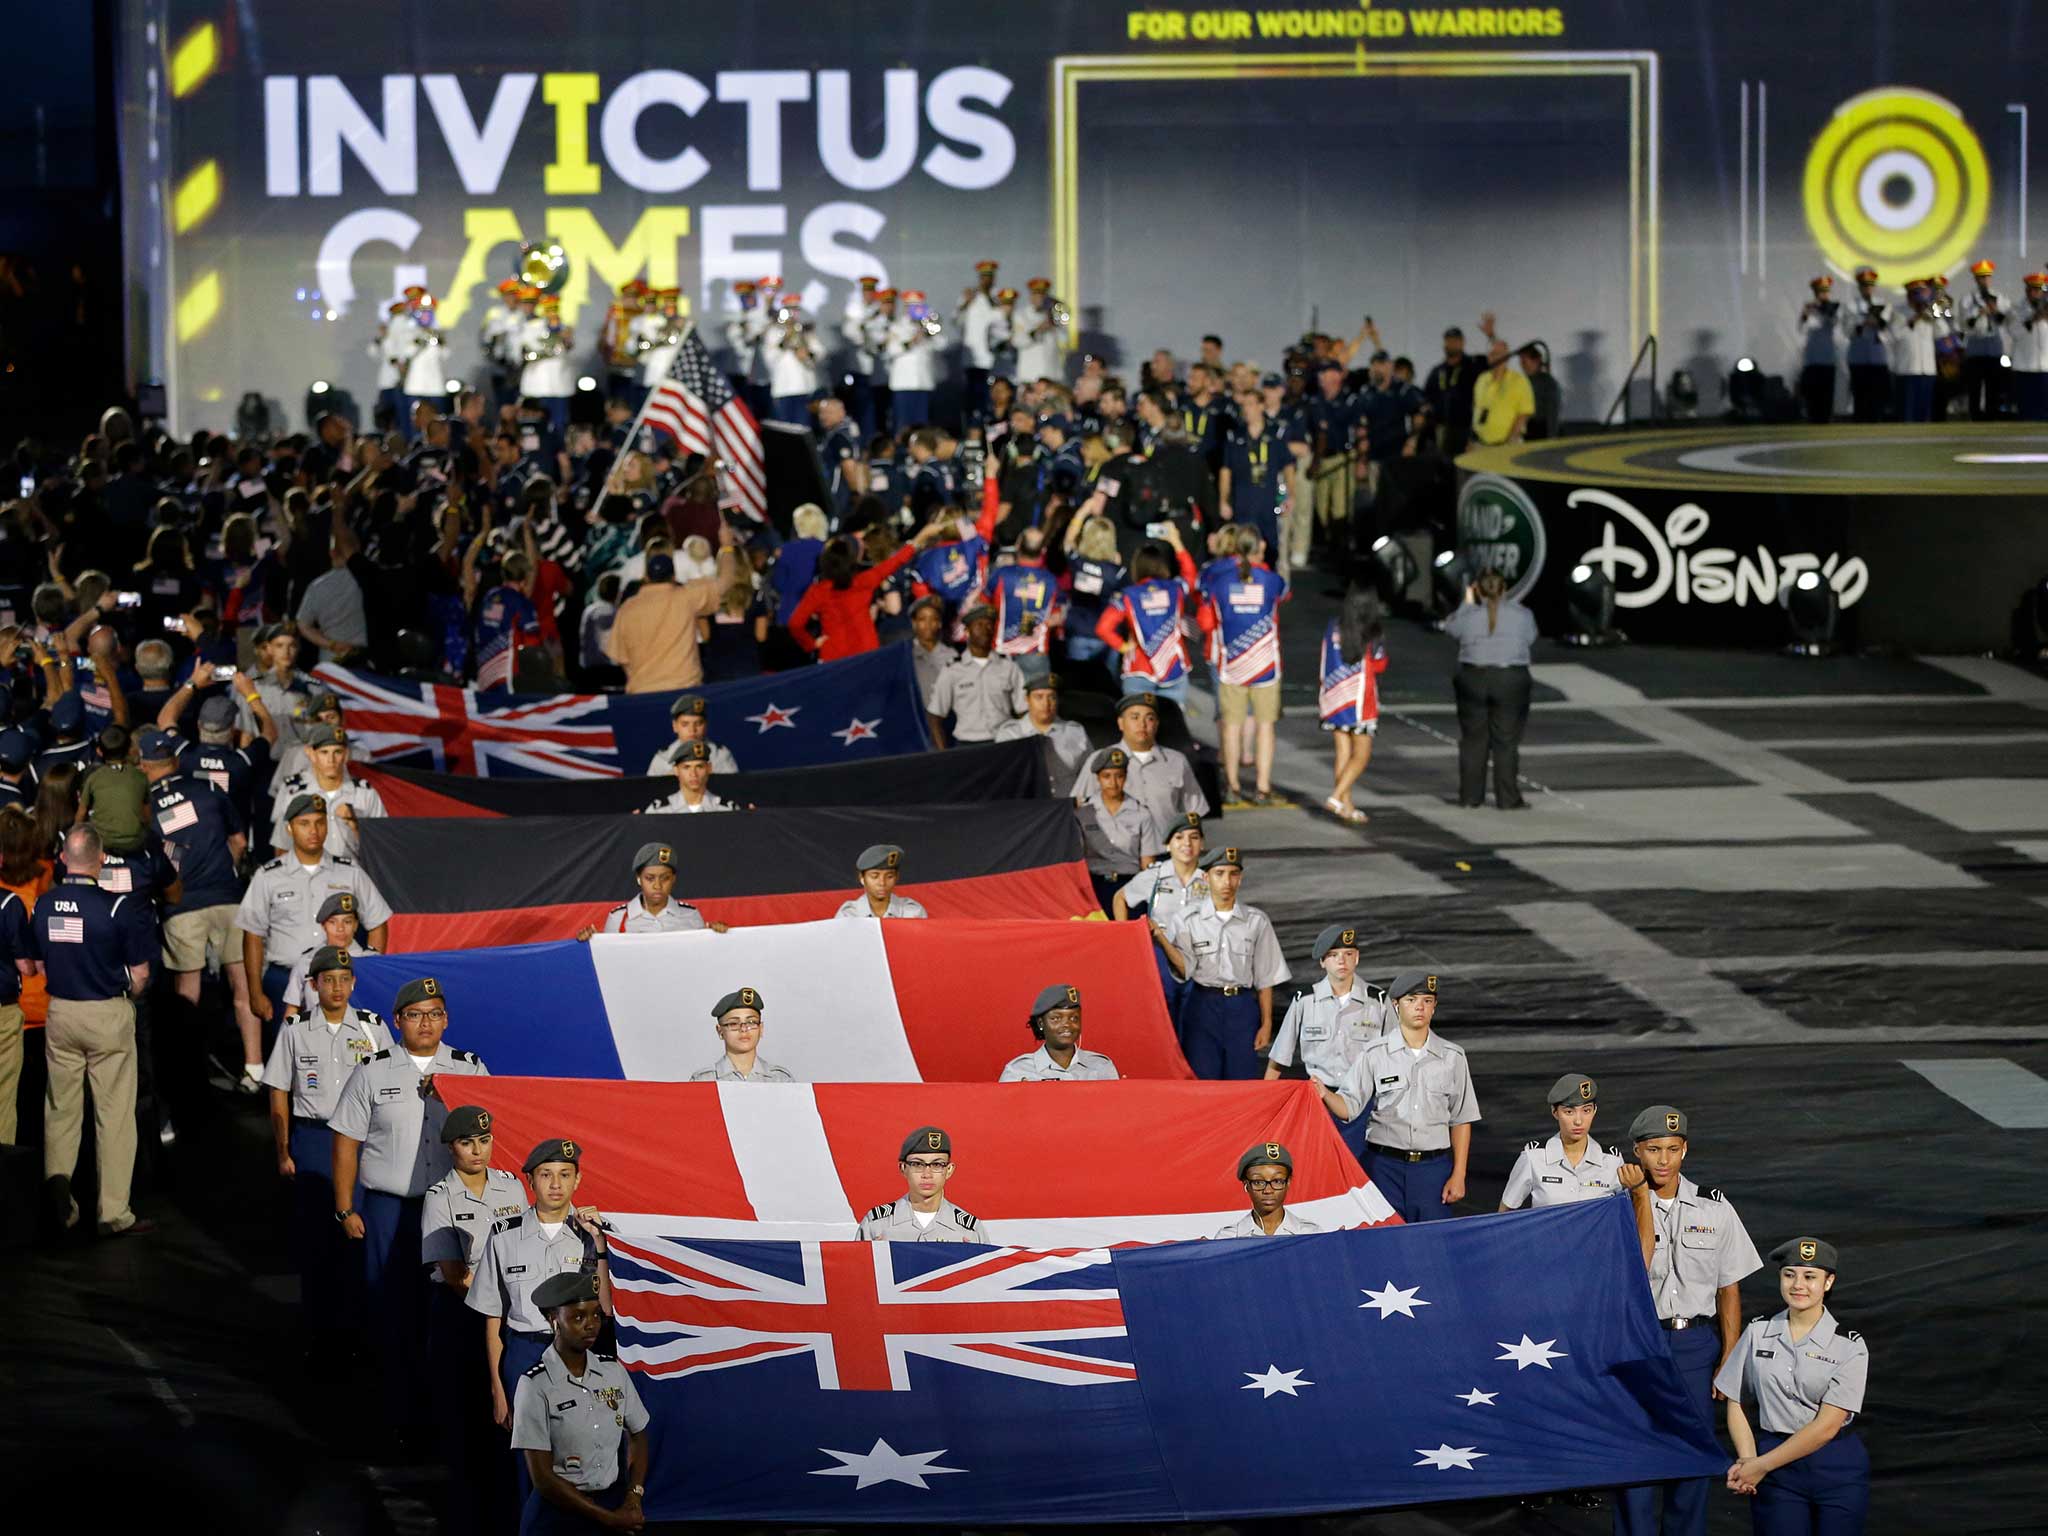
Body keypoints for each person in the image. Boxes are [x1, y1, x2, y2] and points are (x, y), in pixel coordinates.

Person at [329, 976, 490, 1438]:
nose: (426, 1022)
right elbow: (346, 1142)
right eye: (416, 1014)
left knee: (452, 1310)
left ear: (447, 1019)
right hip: (387, 1211)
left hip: (451, 1211)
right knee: (392, 1309)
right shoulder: (372, 1071)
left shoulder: (469, 1069)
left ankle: (451, 1417)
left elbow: (493, 1137)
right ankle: (399, 1417)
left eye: (435, 1013)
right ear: (398, 1020)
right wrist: (345, 1207)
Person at [1616, 1103, 1763, 1536]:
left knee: (1693, 1456)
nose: (1663, 1160)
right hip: (1639, 1344)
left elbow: (1728, 1288)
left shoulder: (1714, 1208)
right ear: (1636, 1153)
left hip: (1695, 1346)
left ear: (1686, 1151)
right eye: (1654, 1149)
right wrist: (1638, 1197)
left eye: (1673, 1149)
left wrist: (1729, 1358)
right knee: (1638, 1453)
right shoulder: (1617, 1206)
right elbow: (1627, 1274)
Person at [260, 946, 392, 1354]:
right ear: (313, 985)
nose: (336, 987)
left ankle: (362, 1329)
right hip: (315, 1139)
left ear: (353, 984)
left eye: (343, 980)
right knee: (317, 1237)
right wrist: (283, 1150)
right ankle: (319, 1330)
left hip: (364, 1141)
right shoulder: (296, 1028)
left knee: (360, 1233)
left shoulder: (372, 1028)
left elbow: (393, 1083)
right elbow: (279, 1089)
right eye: (327, 980)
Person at [32, 824, 157, 1236]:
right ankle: (112, 1212)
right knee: (114, 1115)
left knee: (61, 1110)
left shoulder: (45, 904)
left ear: (64, 858)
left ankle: (60, 1195)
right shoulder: (119, 908)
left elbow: (41, 962)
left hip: (62, 1012)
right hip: (106, 1013)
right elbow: (139, 975)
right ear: (101, 861)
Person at [471, 1136, 614, 1469]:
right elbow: (494, 1315)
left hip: (579, 1357)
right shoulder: (503, 1235)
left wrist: (601, 1242)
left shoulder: (594, 1235)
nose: (556, 1184)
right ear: (530, 1180)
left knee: (581, 1460)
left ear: (577, 1180)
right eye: (546, 1174)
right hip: (524, 1352)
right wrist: (497, 1386)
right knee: (530, 1465)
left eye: (565, 1175)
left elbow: (607, 1308)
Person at [421, 1104, 527, 1536]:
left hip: (507, 1314)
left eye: (484, 1141)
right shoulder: (439, 1197)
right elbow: (452, 1273)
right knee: (466, 1417)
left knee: (507, 1421)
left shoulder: (512, 1187)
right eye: (468, 1143)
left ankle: (507, 1513)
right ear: (451, 1148)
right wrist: (498, 1301)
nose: (478, 1150)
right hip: (461, 1314)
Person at [1719, 1237, 1870, 1533]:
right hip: (1777, 1470)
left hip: (1834, 1465)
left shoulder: (1849, 1345)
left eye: (1810, 1277)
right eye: (1790, 1275)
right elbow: (1735, 1399)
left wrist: (1760, 1466)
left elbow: (1827, 1427)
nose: (1798, 1285)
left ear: (1828, 1283)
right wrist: (1748, 1459)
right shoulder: (1757, 1332)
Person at [137, 726, 258, 1085]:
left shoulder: (146, 807)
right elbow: (238, 841)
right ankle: (255, 1068)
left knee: (187, 994)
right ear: (175, 758)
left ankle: (189, 1072)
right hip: (229, 899)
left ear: (143, 765)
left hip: (182, 907)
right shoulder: (208, 789)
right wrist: (226, 872)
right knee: (243, 984)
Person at [1320, 971, 1478, 1223]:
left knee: (1430, 1244)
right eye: (1411, 1000)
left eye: (1427, 1000)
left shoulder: (1453, 1056)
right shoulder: (1374, 1053)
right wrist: (1323, 1093)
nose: (1419, 1007)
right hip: (1383, 1167)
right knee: (1384, 1242)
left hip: (1432, 1171)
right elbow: (1349, 1107)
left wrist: (1459, 1174)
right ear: (1395, 1005)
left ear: (1434, 1007)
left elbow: (1461, 1119)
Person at [511, 1269, 650, 1535]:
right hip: (559, 1516)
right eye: (578, 1317)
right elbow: (542, 1478)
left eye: (596, 1314)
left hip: (613, 1504)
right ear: (554, 1320)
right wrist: (607, 1519)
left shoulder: (613, 1372)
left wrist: (634, 1495)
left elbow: (639, 1434)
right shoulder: (535, 1385)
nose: (591, 1324)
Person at [238, 793, 393, 1024]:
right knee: (287, 1053)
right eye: (304, 823)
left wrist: (369, 971)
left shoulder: (349, 872)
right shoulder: (268, 876)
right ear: (290, 828)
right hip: (284, 977)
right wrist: (255, 992)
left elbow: (378, 922)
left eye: (320, 822)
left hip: (339, 981)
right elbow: (252, 935)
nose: (313, 830)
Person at [1151, 846, 1289, 1081]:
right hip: (1202, 1005)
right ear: (1206, 877)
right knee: (1202, 1078)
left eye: (1234, 873)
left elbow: (1266, 977)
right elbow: (1184, 970)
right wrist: (1162, 941)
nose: (1227, 881)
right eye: (1220, 873)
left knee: (1242, 1078)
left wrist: (1266, 1024)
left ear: (1241, 878)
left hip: (1242, 1007)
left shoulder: (1256, 921)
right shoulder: (1187, 920)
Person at [1263, 924, 1389, 1161]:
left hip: (1363, 1106)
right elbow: (1279, 1056)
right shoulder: (1304, 1001)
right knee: (1317, 1167)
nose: (1342, 960)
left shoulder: (1379, 1002)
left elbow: (1395, 1059)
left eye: (1348, 954)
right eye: (1333, 955)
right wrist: (1265, 1104)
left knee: (1360, 1174)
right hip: (1317, 1102)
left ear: (1357, 958)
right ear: (1322, 961)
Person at [1204, 525, 1289, 808]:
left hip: (1232, 664)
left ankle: (1233, 785)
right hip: (1265, 665)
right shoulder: (1272, 580)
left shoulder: (1218, 581)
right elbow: (1284, 595)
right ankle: (1263, 787)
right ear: (1260, 547)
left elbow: (1206, 617)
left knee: (1231, 727)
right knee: (1265, 726)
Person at [1446, 568, 1537, 810]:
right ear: (1504, 588)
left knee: (1473, 740)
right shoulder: (1522, 614)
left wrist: (1466, 603)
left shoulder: (1468, 615)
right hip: (1510, 678)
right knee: (1506, 742)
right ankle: (1508, 798)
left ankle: (1470, 797)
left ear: (1477, 589)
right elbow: (1530, 637)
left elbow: (1451, 629)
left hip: (1473, 677)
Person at [790, 522, 941, 663]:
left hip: (834, 657)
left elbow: (795, 624)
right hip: (867, 654)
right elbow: (897, 560)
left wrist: (811, 644)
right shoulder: (864, 581)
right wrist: (922, 536)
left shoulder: (818, 591)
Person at [1073, 691, 1210, 846]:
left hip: (1165, 857)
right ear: (1121, 723)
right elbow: (1079, 809)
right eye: (1135, 717)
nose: (1142, 724)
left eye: (1149, 718)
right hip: (1118, 859)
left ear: (1157, 723)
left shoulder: (1176, 761)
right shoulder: (1099, 760)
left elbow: (1193, 811)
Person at [607, 540, 743, 694]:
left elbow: (622, 658)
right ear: (673, 576)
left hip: (643, 695)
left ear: (647, 576)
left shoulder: (627, 609)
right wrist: (726, 546)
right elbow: (726, 581)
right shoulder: (686, 597)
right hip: (684, 690)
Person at [1113, 810, 1209, 1022]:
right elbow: (1120, 898)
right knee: (1163, 1015)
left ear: (1202, 844)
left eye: (1194, 837)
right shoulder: (1154, 876)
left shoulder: (1210, 879)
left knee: (1195, 1020)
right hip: (1161, 957)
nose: (1187, 844)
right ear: (1167, 844)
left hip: (1199, 956)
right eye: (1179, 837)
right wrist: (1126, 937)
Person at [1093, 530, 1202, 704]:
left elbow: (1103, 628)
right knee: (1172, 727)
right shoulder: (1175, 589)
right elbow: (1191, 575)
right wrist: (1176, 541)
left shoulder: (1128, 596)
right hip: (1174, 669)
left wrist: (1122, 646)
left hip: (1138, 671)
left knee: (1138, 728)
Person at [1499, 1072, 1636, 1209]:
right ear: (1555, 1112)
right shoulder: (1534, 1157)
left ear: (1595, 1111)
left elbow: (1624, 1213)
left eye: (1586, 1110)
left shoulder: (1612, 1161)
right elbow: (1506, 1213)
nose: (1578, 1121)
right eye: (1569, 1112)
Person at [1319, 585, 1387, 824]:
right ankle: (1336, 797)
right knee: (1361, 755)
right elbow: (1379, 665)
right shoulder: (1373, 631)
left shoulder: (1332, 625)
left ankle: (1346, 805)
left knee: (1343, 753)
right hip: (1360, 701)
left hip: (1334, 697)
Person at [271, 723, 386, 857]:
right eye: (324, 752)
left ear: (346, 755)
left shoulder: (365, 794)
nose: (331, 760)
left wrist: (355, 825)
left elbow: (382, 845)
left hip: (353, 873)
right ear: (311, 754)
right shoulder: (293, 792)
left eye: (337, 752)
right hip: (309, 875)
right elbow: (282, 847)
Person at [857, 1126, 986, 1242]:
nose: (927, 1174)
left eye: (937, 1164)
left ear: (949, 1170)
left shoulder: (970, 1231)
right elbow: (857, 1267)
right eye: (917, 1164)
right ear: (903, 1168)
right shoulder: (876, 1225)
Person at [925, 604, 1027, 748]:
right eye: (979, 625)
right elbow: (934, 716)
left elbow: (1024, 711)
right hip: (967, 746)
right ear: (967, 631)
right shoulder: (953, 670)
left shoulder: (1009, 666)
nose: (985, 630)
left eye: (989, 625)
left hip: (1005, 743)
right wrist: (944, 756)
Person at [1078, 748, 1163, 909]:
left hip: (1129, 885)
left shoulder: (1141, 813)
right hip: (1093, 886)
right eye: (1106, 776)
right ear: (1098, 778)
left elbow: (1147, 863)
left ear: (1125, 777)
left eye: (1119, 776)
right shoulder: (1083, 812)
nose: (1113, 782)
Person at [578, 842, 718, 937]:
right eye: (650, 878)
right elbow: (608, 960)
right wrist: (591, 943)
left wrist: (719, 936)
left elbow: (702, 958)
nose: (657, 886)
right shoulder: (618, 918)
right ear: (639, 879)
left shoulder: (690, 915)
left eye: (665, 878)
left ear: (673, 879)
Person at [991, 673, 1091, 796]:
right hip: (1029, 808)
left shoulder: (1075, 732)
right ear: (1027, 699)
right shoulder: (1010, 734)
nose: (1046, 704)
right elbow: (1003, 778)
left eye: (1052, 697)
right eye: (1039, 697)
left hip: (1066, 807)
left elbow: (1090, 775)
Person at [998, 982, 1119, 1081]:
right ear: (1041, 1023)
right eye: (1056, 1018)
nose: (1067, 1024)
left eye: (1074, 1018)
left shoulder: (1101, 1067)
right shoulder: (1017, 1071)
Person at [281, 891, 374, 1017]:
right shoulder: (307, 960)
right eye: (333, 922)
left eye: (347, 922)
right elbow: (292, 1009)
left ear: (356, 925)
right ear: (323, 926)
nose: (340, 929)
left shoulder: (370, 959)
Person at [1213, 1142, 1323, 1238]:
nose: (1268, 1190)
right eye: (1258, 1182)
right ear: (1246, 1185)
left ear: (1288, 1182)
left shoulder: (1310, 1234)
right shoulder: (1228, 1238)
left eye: (1277, 1181)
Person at [690, 986, 794, 1081]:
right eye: (734, 1023)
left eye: (751, 1022)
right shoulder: (704, 1080)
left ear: (761, 1028)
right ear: (720, 1030)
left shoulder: (780, 1079)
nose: (744, 1029)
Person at [1959, 258, 2009, 420]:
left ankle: (1992, 416)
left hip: (1994, 345)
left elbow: (2005, 320)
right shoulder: (1967, 300)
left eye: (1987, 277)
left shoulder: (1999, 297)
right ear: (1975, 279)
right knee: (1975, 386)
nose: (1985, 280)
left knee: (1993, 385)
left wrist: (1994, 309)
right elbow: (1965, 324)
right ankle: (1975, 417)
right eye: (1981, 277)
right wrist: (1978, 312)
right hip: (1975, 346)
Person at [644, 695, 738, 776]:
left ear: (706, 725)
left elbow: (734, 792)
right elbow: (651, 794)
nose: (692, 730)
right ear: (675, 726)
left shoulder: (720, 756)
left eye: (698, 724)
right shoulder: (663, 758)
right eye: (685, 724)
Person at [1470, 332, 1536, 446]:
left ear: (1507, 357)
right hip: (1481, 444)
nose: (1495, 357)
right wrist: (1472, 440)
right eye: (1492, 354)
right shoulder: (1482, 379)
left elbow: (1523, 414)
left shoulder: (1519, 380)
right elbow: (1477, 409)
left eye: (1499, 354)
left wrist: (1510, 441)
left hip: (1507, 445)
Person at [1844, 268, 1892, 422]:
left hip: (1878, 357)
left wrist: (1877, 322)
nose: (1868, 288)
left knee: (1878, 396)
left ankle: (1877, 424)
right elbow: (1847, 330)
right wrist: (1864, 322)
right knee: (1860, 395)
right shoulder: (1851, 305)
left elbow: (1888, 326)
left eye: (1870, 285)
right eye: (1865, 285)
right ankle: (1860, 424)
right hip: (1859, 357)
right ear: (1859, 287)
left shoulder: (1883, 303)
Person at [836, 843, 928, 920]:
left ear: (897, 877)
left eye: (889, 876)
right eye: (874, 876)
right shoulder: (849, 915)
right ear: (862, 878)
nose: (882, 883)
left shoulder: (912, 912)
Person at [1797, 276, 1843, 424]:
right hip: (1812, 359)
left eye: (1825, 291)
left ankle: (1826, 420)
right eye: (1820, 291)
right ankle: (1812, 420)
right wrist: (1805, 314)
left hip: (1828, 358)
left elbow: (1835, 325)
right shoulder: (1809, 308)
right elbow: (1802, 329)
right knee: (1812, 395)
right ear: (1815, 292)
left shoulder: (1834, 307)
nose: (1823, 294)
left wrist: (1826, 311)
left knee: (1826, 395)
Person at [638, 741, 732, 814]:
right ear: (676, 770)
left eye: (699, 767)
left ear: (709, 768)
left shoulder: (726, 810)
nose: (693, 774)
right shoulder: (659, 811)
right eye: (686, 767)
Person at [2014, 271, 2048, 422]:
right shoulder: (2017, 309)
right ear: (2027, 290)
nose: (2037, 293)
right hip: (2025, 367)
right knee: (2027, 411)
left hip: (2045, 367)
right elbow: (2015, 332)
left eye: (2039, 290)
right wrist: (2033, 318)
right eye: (2033, 290)